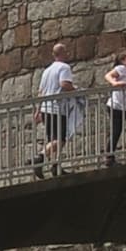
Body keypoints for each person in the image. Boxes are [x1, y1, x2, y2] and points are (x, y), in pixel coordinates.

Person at [34, 43, 79, 175]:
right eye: (66, 52)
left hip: (46, 108)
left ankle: (55, 167)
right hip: (57, 108)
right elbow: (64, 84)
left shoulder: (47, 71)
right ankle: (40, 157)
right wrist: (76, 90)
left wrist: (38, 110)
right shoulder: (64, 67)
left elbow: (41, 92)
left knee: (52, 139)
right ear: (63, 53)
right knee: (60, 140)